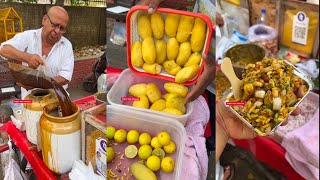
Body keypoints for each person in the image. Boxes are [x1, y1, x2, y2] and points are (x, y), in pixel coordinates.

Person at [0, 6, 74, 99]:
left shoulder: (66, 45)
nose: (57, 31)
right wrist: (27, 57)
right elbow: (3, 49)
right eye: (54, 25)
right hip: (29, 101)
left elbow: (65, 77)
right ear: (44, 19)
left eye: (62, 28)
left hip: (57, 99)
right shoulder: (28, 36)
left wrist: (37, 85)